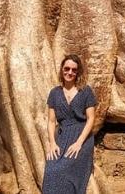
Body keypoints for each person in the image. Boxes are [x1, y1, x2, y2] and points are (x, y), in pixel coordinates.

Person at [42, 55, 98, 194]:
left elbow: (91, 119)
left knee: (65, 169)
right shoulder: (54, 93)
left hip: (82, 137)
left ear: (77, 72)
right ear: (62, 70)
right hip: (62, 137)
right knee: (51, 170)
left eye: (74, 70)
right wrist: (52, 144)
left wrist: (79, 143)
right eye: (67, 68)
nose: (70, 72)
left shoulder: (85, 91)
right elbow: (51, 121)